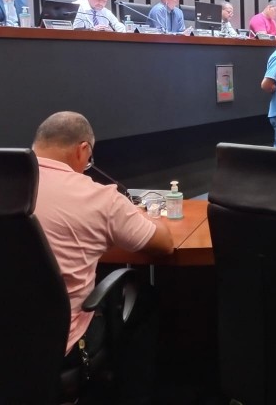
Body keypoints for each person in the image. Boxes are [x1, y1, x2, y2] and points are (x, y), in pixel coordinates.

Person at [31, 111, 173, 401]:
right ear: (83, 149)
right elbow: (164, 244)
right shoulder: (99, 197)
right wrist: (147, 216)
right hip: (61, 346)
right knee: (144, 299)